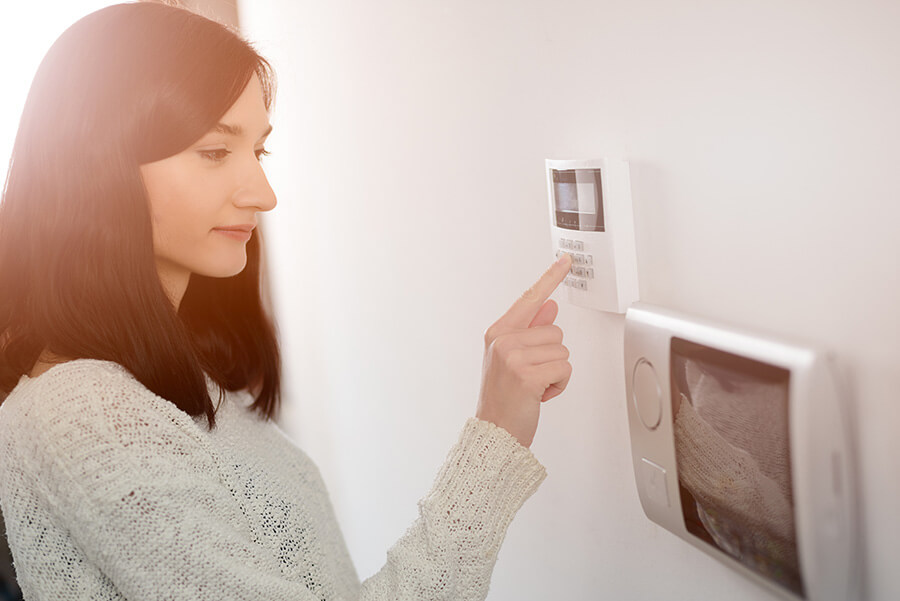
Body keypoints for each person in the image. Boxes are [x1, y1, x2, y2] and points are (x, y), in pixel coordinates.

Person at [0, 3, 574, 600]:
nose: (263, 194)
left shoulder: (159, 378)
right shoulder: (85, 412)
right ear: (98, 164)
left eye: (259, 153)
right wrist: (495, 437)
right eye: (215, 152)